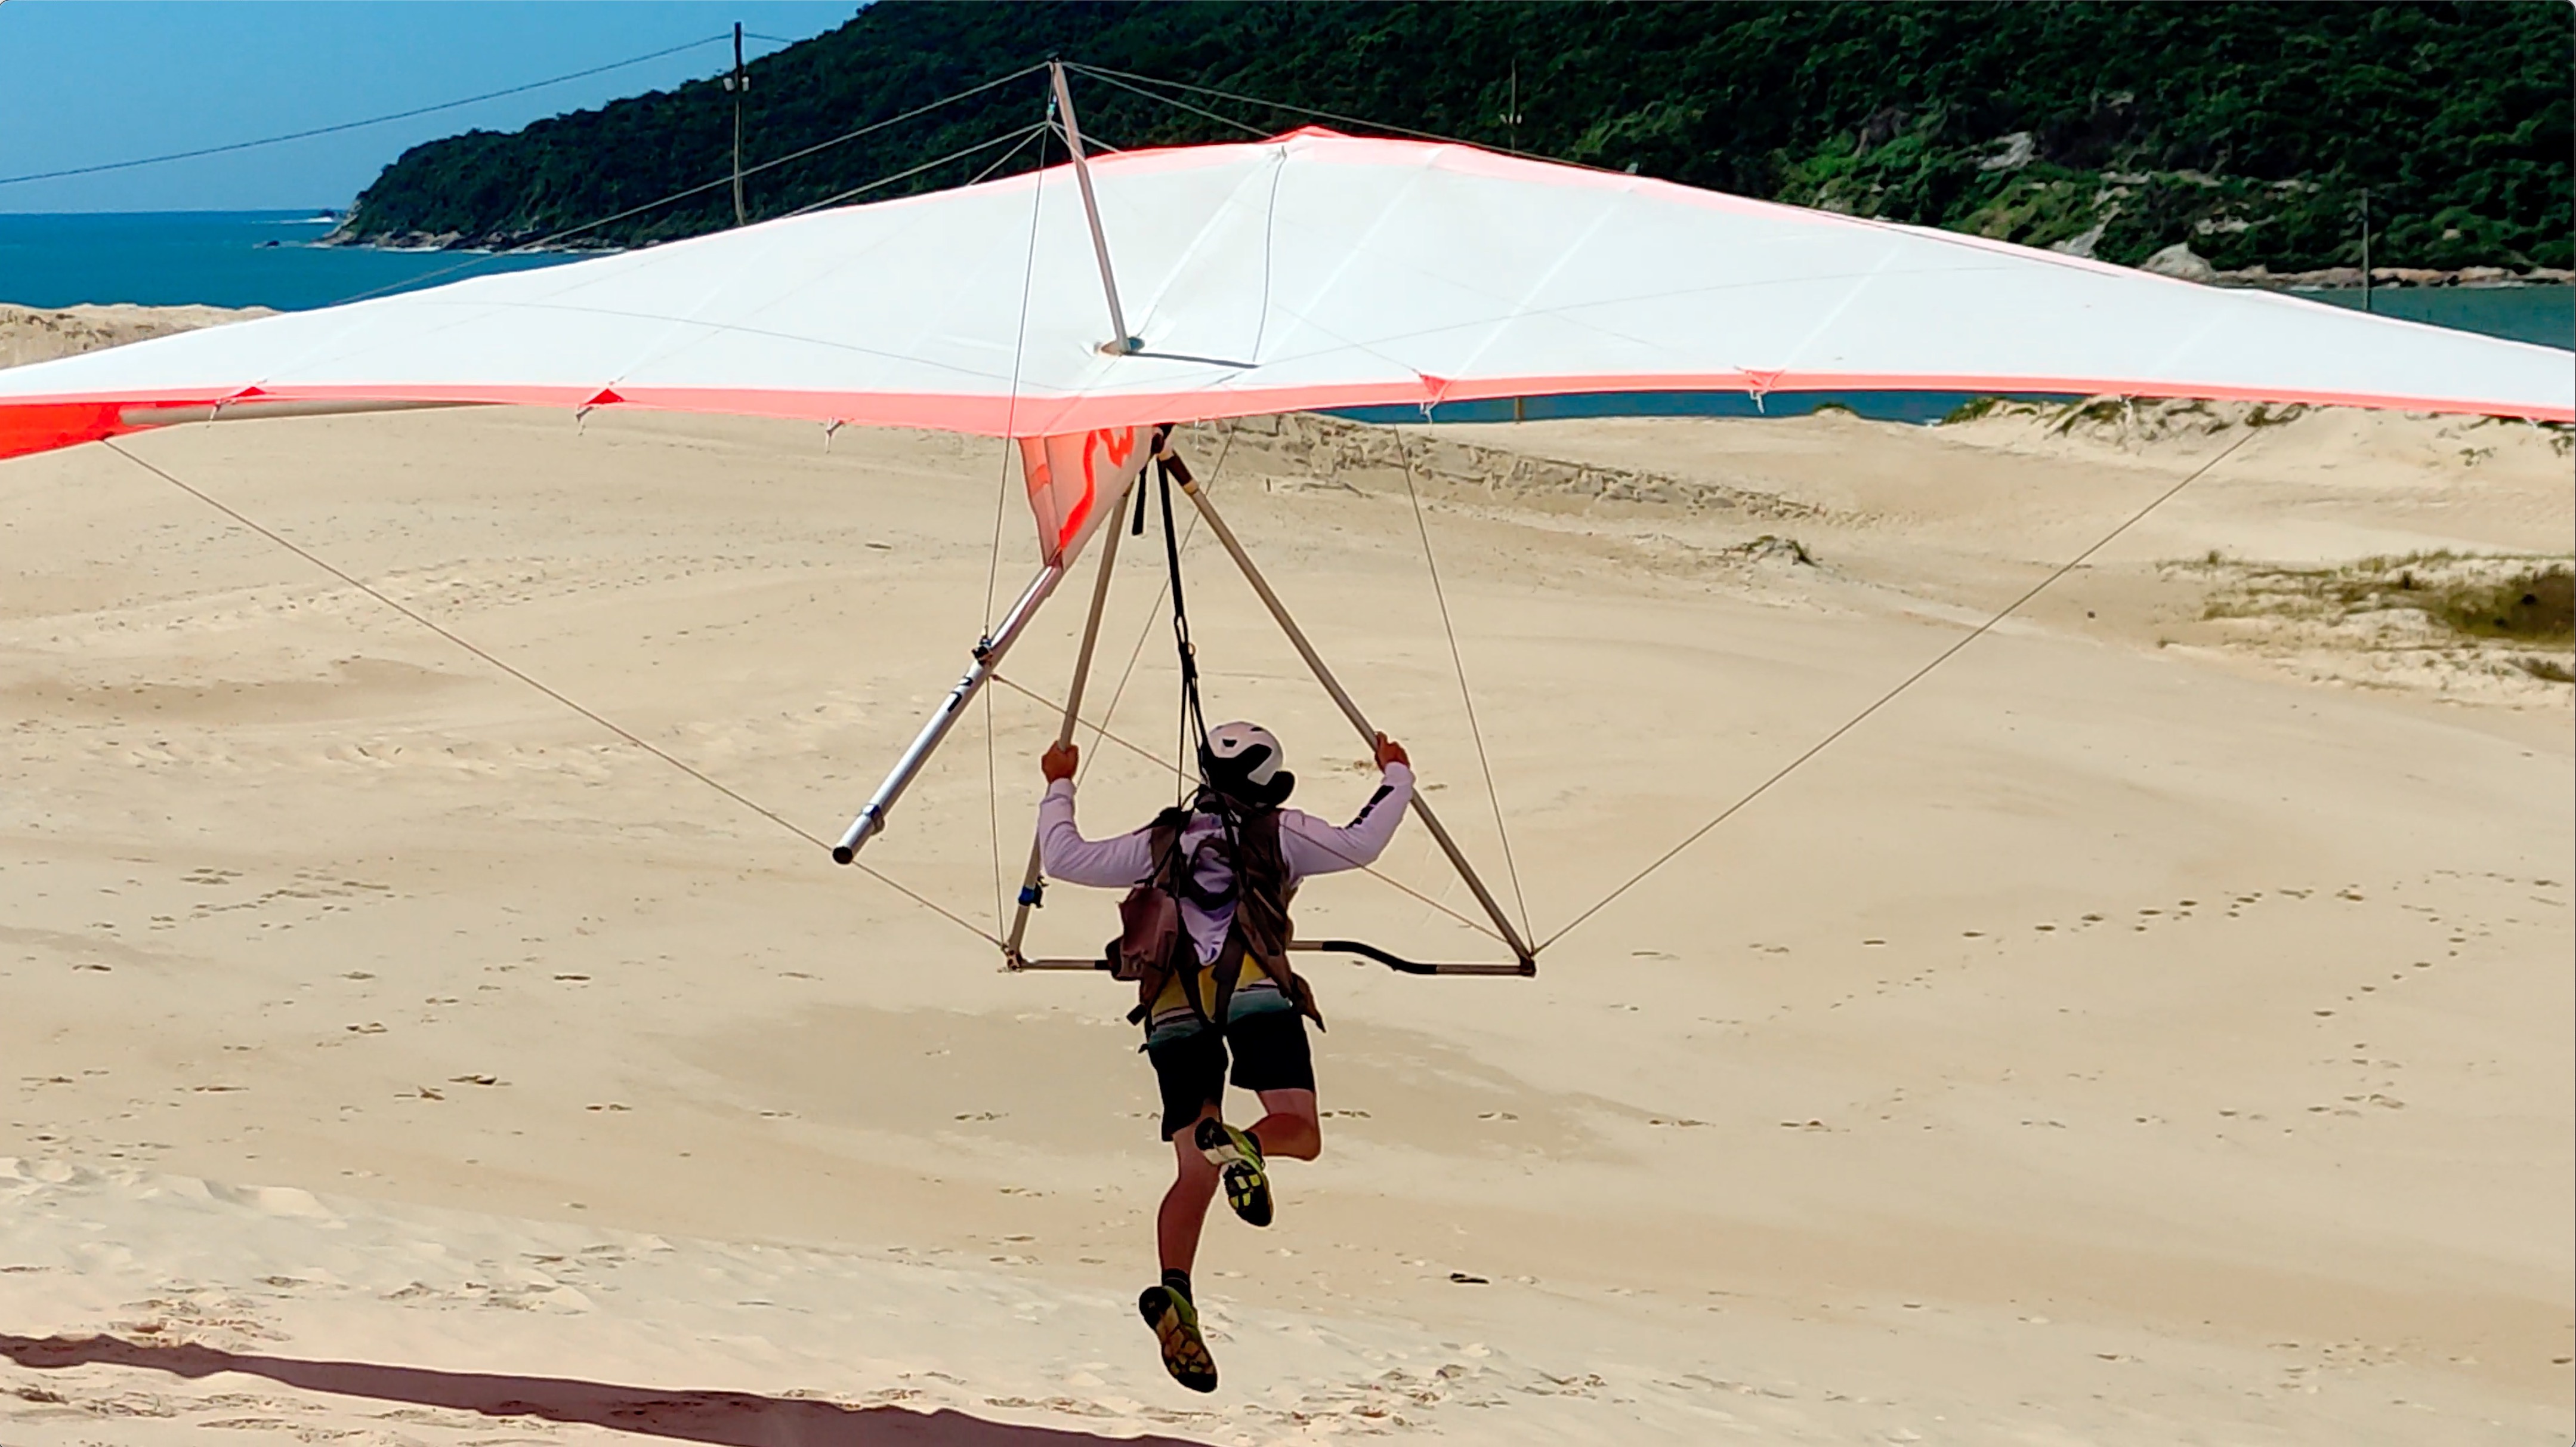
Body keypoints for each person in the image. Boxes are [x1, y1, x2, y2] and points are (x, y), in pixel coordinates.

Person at [1036, 721, 1413, 1393]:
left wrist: (1058, 782)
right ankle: (1245, 1143)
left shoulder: (1160, 839)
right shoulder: (1281, 832)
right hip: (1252, 988)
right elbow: (1362, 843)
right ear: (1267, 784)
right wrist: (1395, 774)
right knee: (1298, 1129)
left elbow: (1063, 858)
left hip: (1172, 1001)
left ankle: (1175, 1288)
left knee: (1192, 1169)